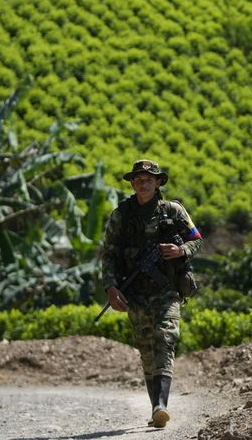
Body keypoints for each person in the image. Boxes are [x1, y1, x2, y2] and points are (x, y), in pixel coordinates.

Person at [100, 159, 203, 428]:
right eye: (138, 179)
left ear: (158, 182)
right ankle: (155, 408)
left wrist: (181, 251)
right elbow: (108, 255)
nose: (143, 183)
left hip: (167, 290)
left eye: (148, 179)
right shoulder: (121, 215)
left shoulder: (174, 211)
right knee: (146, 351)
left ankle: (162, 405)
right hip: (134, 293)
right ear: (132, 183)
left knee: (164, 339)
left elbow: (197, 238)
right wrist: (111, 287)